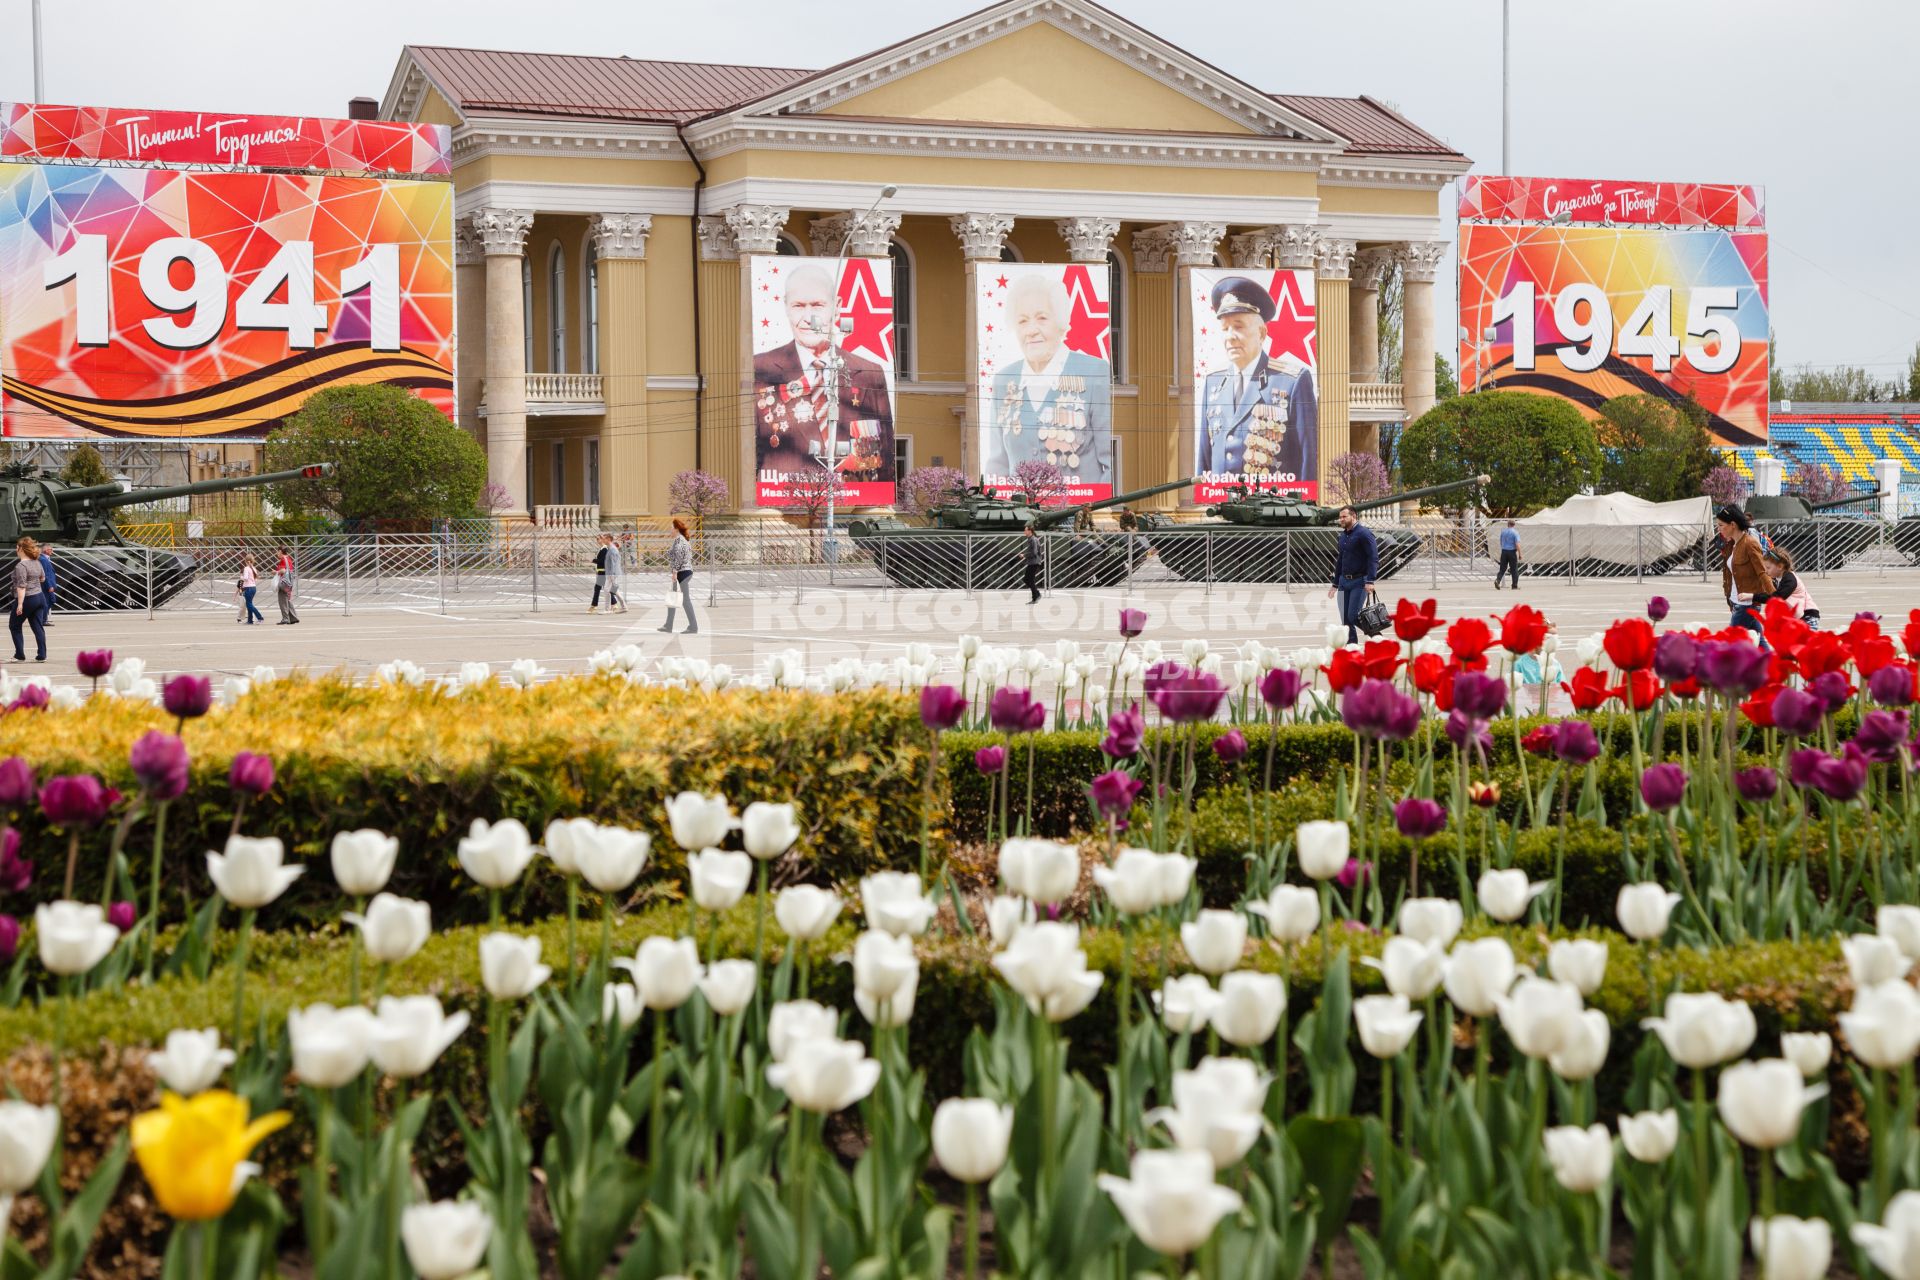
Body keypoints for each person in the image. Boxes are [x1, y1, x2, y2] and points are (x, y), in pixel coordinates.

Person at [752, 265, 894, 488]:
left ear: (836, 308)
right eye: (798, 306)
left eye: (817, 306)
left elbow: (883, 458)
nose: (808, 318)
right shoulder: (760, 368)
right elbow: (751, 449)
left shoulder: (868, 373)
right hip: (781, 505)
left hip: (851, 502)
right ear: (786, 308)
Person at [981, 273, 1112, 488]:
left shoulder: (1094, 371)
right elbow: (998, 464)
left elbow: (1109, 462)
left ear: (1060, 323)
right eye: (1023, 321)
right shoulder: (1004, 379)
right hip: (1020, 516)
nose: (1031, 330)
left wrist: (1099, 511)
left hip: (1077, 513)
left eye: (1042, 318)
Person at [1195, 276, 1317, 486]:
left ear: (1261, 333)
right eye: (1225, 329)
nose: (1230, 336)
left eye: (1238, 326)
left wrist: (1305, 511)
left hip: (1273, 512)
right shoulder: (1213, 384)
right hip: (1222, 507)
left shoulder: (1292, 381)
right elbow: (1205, 458)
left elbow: (1308, 457)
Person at [1326, 504, 1377, 644]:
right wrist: (1335, 584)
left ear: (1353, 516)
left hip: (1359, 581)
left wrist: (1370, 580)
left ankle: (1376, 636)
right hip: (1343, 582)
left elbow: (1373, 557)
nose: (1341, 519)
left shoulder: (1364, 534)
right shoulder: (1342, 536)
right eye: (1340, 517)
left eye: (1344, 517)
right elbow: (1340, 561)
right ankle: (1352, 648)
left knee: (1353, 616)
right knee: (1345, 619)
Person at [1716, 504, 1769, 640]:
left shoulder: (1750, 543)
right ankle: (1770, 660)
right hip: (1736, 602)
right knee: (1761, 644)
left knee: (1730, 641)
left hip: (1747, 604)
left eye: (1721, 525)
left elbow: (1762, 573)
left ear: (1732, 524)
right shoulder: (1732, 544)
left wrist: (1776, 598)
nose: (1718, 529)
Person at [1757, 545, 1821, 629]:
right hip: (1798, 617)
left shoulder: (1789, 579)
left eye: (1768, 567)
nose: (1766, 571)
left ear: (1780, 566)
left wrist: (1753, 596)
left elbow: (1777, 597)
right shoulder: (1778, 578)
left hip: (1808, 615)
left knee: (1806, 641)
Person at [9, 537, 46, 663]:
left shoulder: (21, 566)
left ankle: (19, 655)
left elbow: (21, 586)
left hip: (28, 598)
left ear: (21, 549)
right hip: (40, 597)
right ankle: (42, 655)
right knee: (37, 626)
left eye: (17, 547)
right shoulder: (37, 562)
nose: (16, 549)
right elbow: (42, 579)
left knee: (14, 626)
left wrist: (20, 604)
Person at [659, 518, 697, 635]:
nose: (670, 530)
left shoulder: (680, 541)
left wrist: (674, 572)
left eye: (671, 528)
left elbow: (679, 558)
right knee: (672, 599)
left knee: (685, 601)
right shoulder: (678, 540)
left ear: (676, 529)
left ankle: (693, 626)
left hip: (683, 572)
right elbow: (673, 554)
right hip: (683, 572)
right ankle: (668, 625)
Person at [274, 548, 300, 625]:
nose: (277, 553)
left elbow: (283, 570)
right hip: (289, 582)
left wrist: (276, 572)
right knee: (287, 599)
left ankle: (285, 619)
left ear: (281, 551)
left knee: (282, 600)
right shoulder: (288, 558)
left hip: (284, 582)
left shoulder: (283, 559)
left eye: (278, 551)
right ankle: (293, 618)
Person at [1494, 519, 1522, 590]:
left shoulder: (1503, 532)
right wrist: (1520, 554)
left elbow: (1501, 542)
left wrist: (1504, 549)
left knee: (1502, 568)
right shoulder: (1515, 533)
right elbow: (1517, 544)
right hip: (1512, 552)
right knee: (1514, 569)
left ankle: (1498, 580)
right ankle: (1514, 585)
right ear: (1514, 525)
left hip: (1504, 551)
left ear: (1508, 524)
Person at [601, 533, 626, 614]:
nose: (603, 540)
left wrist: (612, 575)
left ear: (608, 539)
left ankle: (607, 610)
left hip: (612, 573)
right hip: (611, 573)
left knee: (607, 590)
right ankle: (624, 607)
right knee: (614, 590)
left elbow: (614, 563)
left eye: (604, 539)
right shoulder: (611, 548)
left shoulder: (612, 549)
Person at [238, 554, 265, 625]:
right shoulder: (254, 568)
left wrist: (241, 577)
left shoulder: (246, 568)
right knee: (249, 603)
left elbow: (246, 578)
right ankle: (250, 620)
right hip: (253, 587)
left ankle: (260, 617)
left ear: (246, 561)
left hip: (248, 588)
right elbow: (255, 579)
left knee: (249, 604)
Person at [1022, 523, 1042, 604]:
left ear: (1030, 531)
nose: (1024, 531)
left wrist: (1024, 555)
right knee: (1027, 579)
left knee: (1029, 580)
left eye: (1025, 530)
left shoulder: (1033, 539)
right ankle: (1036, 594)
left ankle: (1035, 596)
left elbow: (1034, 552)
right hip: (1032, 562)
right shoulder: (1031, 539)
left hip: (1034, 562)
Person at [36, 547, 55, 627]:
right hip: (46, 586)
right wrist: (49, 585)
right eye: (51, 549)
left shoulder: (44, 559)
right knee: (48, 601)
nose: (52, 551)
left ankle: (43, 619)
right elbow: (45, 574)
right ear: (46, 550)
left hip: (47, 584)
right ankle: (43, 620)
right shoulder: (43, 559)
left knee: (50, 601)